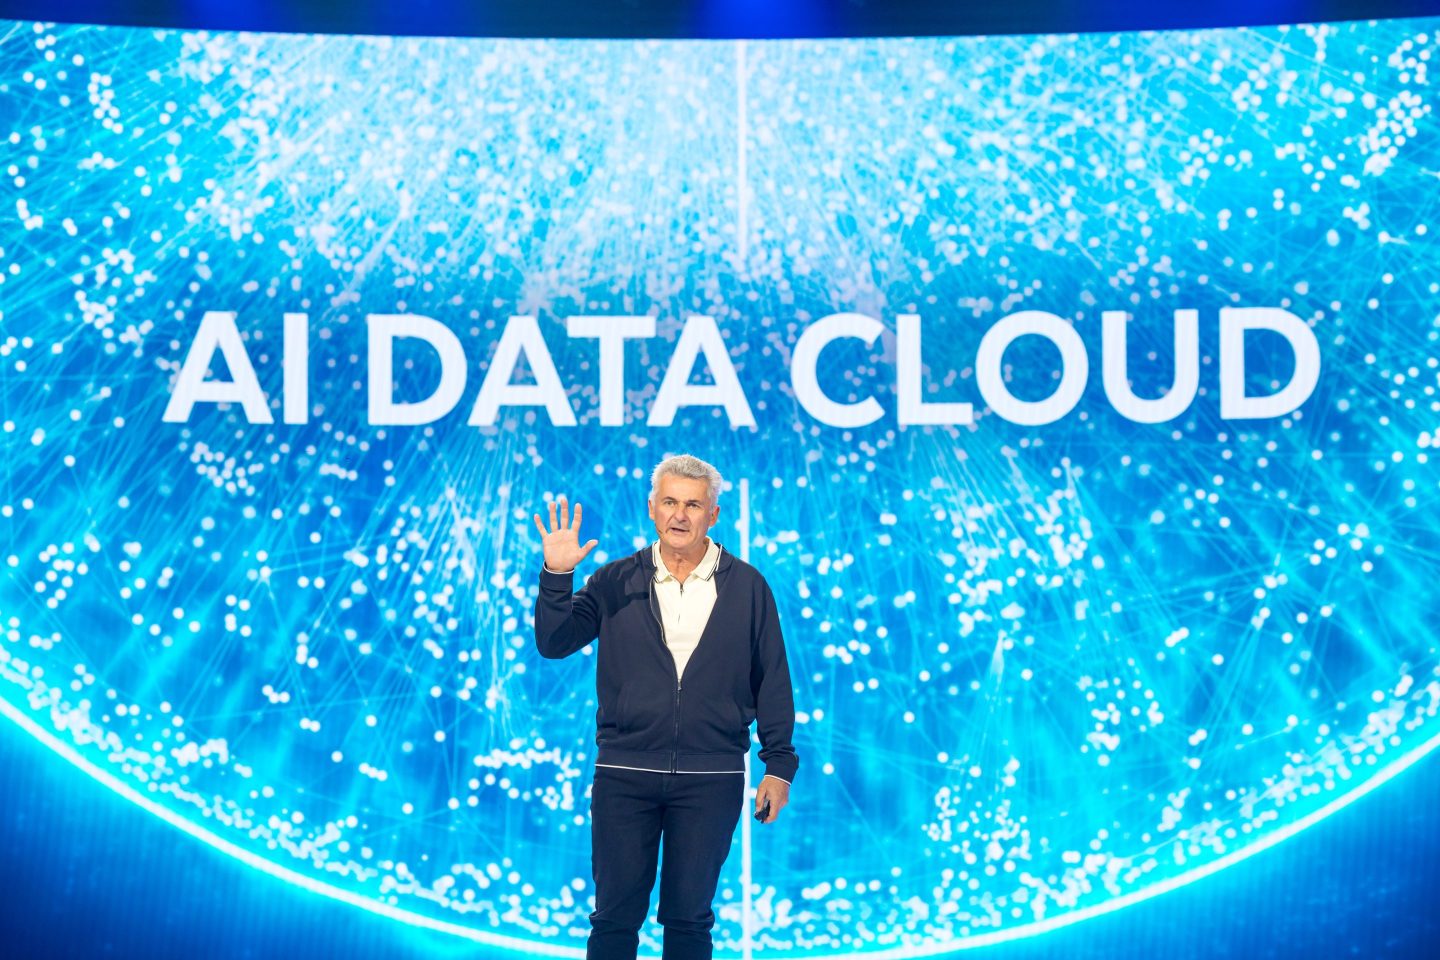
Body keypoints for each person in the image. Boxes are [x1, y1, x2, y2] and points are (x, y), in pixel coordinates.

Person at [532, 453, 799, 960]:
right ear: (652, 509)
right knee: (613, 919)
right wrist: (557, 576)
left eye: (693, 505)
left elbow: (772, 679)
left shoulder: (748, 586)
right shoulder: (614, 580)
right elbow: (554, 641)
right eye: (670, 502)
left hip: (711, 778)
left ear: (713, 515)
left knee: (689, 920)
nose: (680, 515)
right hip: (624, 774)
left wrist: (779, 766)